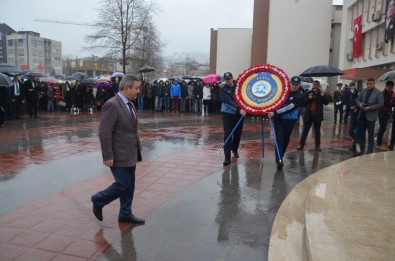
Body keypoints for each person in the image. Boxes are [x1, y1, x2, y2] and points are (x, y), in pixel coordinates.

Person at [91, 74, 145, 224]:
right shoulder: (112, 104)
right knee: (123, 185)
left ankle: (125, 214)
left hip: (130, 153)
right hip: (117, 154)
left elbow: (132, 131)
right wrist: (107, 156)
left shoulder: (130, 104)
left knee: (129, 186)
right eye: (136, 88)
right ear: (126, 88)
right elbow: (104, 132)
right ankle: (98, 199)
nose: (138, 91)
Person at [267, 76, 303, 169]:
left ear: (299, 85)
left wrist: (275, 112)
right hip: (279, 120)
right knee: (279, 139)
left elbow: (289, 107)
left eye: (296, 85)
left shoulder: (299, 96)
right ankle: (279, 159)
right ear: (290, 83)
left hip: (290, 121)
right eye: (293, 84)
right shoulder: (283, 93)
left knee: (286, 140)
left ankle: (281, 155)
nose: (294, 86)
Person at [220, 72, 247, 166]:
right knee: (228, 135)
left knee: (238, 134)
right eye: (226, 79)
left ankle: (235, 149)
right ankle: (227, 158)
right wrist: (239, 109)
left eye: (229, 78)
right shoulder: (223, 89)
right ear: (224, 80)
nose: (228, 80)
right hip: (228, 114)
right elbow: (227, 101)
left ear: (232, 78)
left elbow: (244, 98)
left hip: (239, 115)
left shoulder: (238, 87)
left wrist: (245, 108)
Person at [296, 80, 329, 152]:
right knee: (305, 131)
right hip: (308, 115)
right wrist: (309, 98)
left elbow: (326, 103)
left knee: (317, 131)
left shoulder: (321, 93)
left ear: (319, 86)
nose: (315, 86)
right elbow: (302, 103)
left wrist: (323, 96)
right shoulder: (308, 92)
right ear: (312, 85)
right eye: (314, 84)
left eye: (317, 85)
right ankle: (301, 145)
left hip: (318, 116)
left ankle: (317, 145)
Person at [355, 78, 384, 154]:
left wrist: (369, 108)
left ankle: (370, 151)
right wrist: (360, 104)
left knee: (371, 135)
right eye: (367, 84)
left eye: (370, 84)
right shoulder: (363, 90)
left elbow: (381, 104)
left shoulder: (379, 92)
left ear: (374, 84)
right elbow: (358, 100)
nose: (368, 85)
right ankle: (361, 150)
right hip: (362, 115)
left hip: (371, 117)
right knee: (361, 134)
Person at [375, 80, 395, 151]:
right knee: (382, 129)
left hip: (387, 113)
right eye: (389, 86)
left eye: (391, 87)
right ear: (386, 86)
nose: (390, 88)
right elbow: (387, 104)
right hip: (383, 113)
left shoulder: (390, 93)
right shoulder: (383, 93)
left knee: (383, 129)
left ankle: (380, 143)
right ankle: (378, 144)